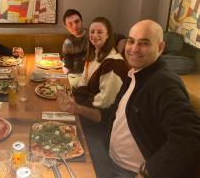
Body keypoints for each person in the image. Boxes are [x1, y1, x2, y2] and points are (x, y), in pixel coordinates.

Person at [75, 20, 200, 178]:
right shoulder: (134, 74)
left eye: (144, 43)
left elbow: (190, 136)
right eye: (131, 41)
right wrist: (76, 108)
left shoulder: (164, 82)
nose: (134, 49)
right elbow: (109, 115)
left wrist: (148, 172)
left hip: (128, 172)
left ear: (160, 48)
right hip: (109, 156)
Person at [74, 17, 128, 110]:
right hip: (85, 103)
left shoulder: (113, 63)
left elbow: (105, 101)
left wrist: (79, 105)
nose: (94, 35)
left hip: (97, 114)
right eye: (92, 32)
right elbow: (84, 79)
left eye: (99, 32)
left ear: (108, 35)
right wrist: (78, 96)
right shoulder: (93, 54)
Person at [62, 9, 89, 75]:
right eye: (70, 24)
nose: (74, 26)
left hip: (92, 75)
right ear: (66, 27)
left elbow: (117, 38)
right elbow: (68, 66)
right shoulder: (68, 43)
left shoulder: (93, 35)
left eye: (77, 21)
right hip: (75, 76)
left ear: (81, 21)